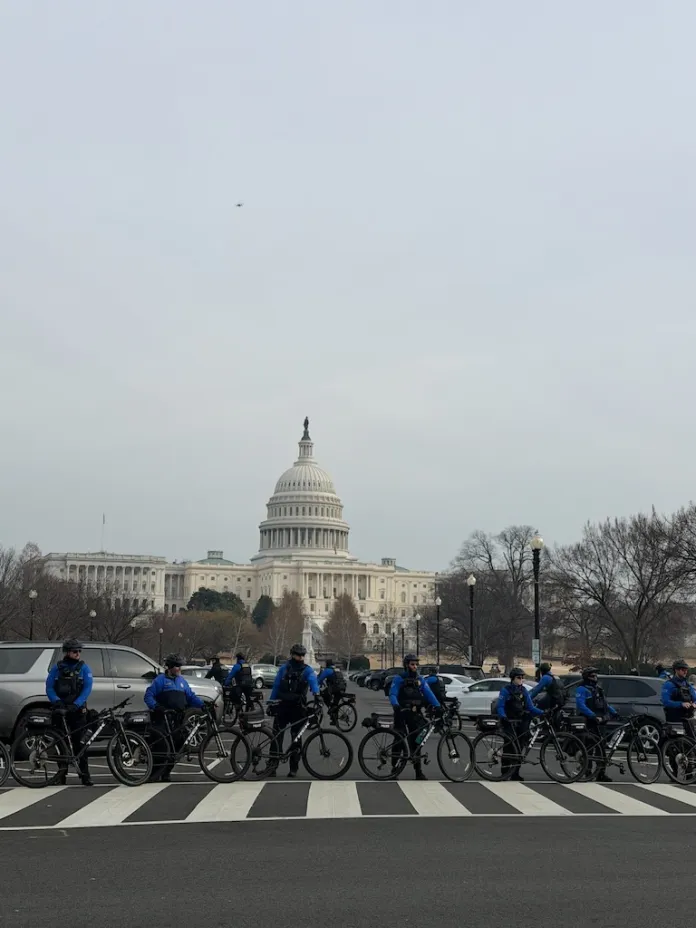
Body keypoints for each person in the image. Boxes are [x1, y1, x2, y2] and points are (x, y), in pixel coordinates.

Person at [144, 654, 204, 782]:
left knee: (178, 744)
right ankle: (153, 774)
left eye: (179, 666)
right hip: (162, 718)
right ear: (170, 667)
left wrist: (203, 705)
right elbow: (148, 695)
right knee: (162, 746)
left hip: (178, 719)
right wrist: (156, 706)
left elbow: (191, 697)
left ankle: (166, 772)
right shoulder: (160, 680)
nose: (179, 669)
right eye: (177, 666)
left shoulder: (181, 681)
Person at [46, 638, 94, 786]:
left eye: (79, 651)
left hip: (77, 710)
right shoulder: (57, 668)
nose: (78, 653)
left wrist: (77, 704)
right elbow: (49, 687)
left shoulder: (84, 668)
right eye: (75, 651)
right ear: (67, 652)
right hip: (61, 710)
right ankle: (61, 775)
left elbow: (87, 688)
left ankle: (85, 776)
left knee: (80, 743)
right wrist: (56, 701)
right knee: (61, 743)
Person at [268, 644, 320, 778]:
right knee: (293, 737)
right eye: (299, 655)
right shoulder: (306, 670)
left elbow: (276, 686)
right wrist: (317, 696)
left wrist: (271, 702)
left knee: (279, 736)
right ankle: (291, 768)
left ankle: (274, 766)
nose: (301, 657)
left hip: (284, 705)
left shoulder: (284, 668)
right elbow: (314, 684)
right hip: (296, 707)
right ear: (293, 654)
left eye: (302, 655)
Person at [389, 654, 440, 781]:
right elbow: (393, 693)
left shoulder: (420, 679)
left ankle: (418, 771)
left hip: (415, 713)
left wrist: (438, 706)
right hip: (401, 712)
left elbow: (428, 693)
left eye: (416, 664)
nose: (415, 667)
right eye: (412, 664)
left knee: (417, 741)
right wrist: (395, 705)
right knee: (398, 741)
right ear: (406, 665)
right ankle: (394, 770)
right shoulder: (399, 678)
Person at [496, 668, 544, 781]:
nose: (521, 680)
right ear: (512, 679)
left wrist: (543, 712)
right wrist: (503, 717)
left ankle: (515, 773)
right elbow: (500, 706)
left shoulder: (524, 691)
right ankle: (504, 772)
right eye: (518, 678)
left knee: (520, 747)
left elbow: (530, 707)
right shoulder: (505, 690)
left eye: (522, 678)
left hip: (521, 721)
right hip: (509, 721)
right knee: (508, 747)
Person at [575, 667, 619, 782]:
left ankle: (601, 773)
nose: (595, 678)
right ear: (587, 677)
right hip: (589, 721)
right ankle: (587, 771)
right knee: (589, 747)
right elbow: (581, 705)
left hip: (601, 721)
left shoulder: (598, 689)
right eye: (593, 676)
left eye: (596, 675)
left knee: (601, 748)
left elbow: (605, 704)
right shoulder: (582, 689)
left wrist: (614, 712)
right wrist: (592, 715)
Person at [661, 659, 696, 740]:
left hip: (687, 717)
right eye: (683, 670)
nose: (685, 672)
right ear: (676, 670)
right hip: (674, 718)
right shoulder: (669, 685)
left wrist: (694, 703)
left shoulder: (687, 684)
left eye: (686, 670)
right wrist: (681, 704)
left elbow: (695, 698)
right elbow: (666, 702)